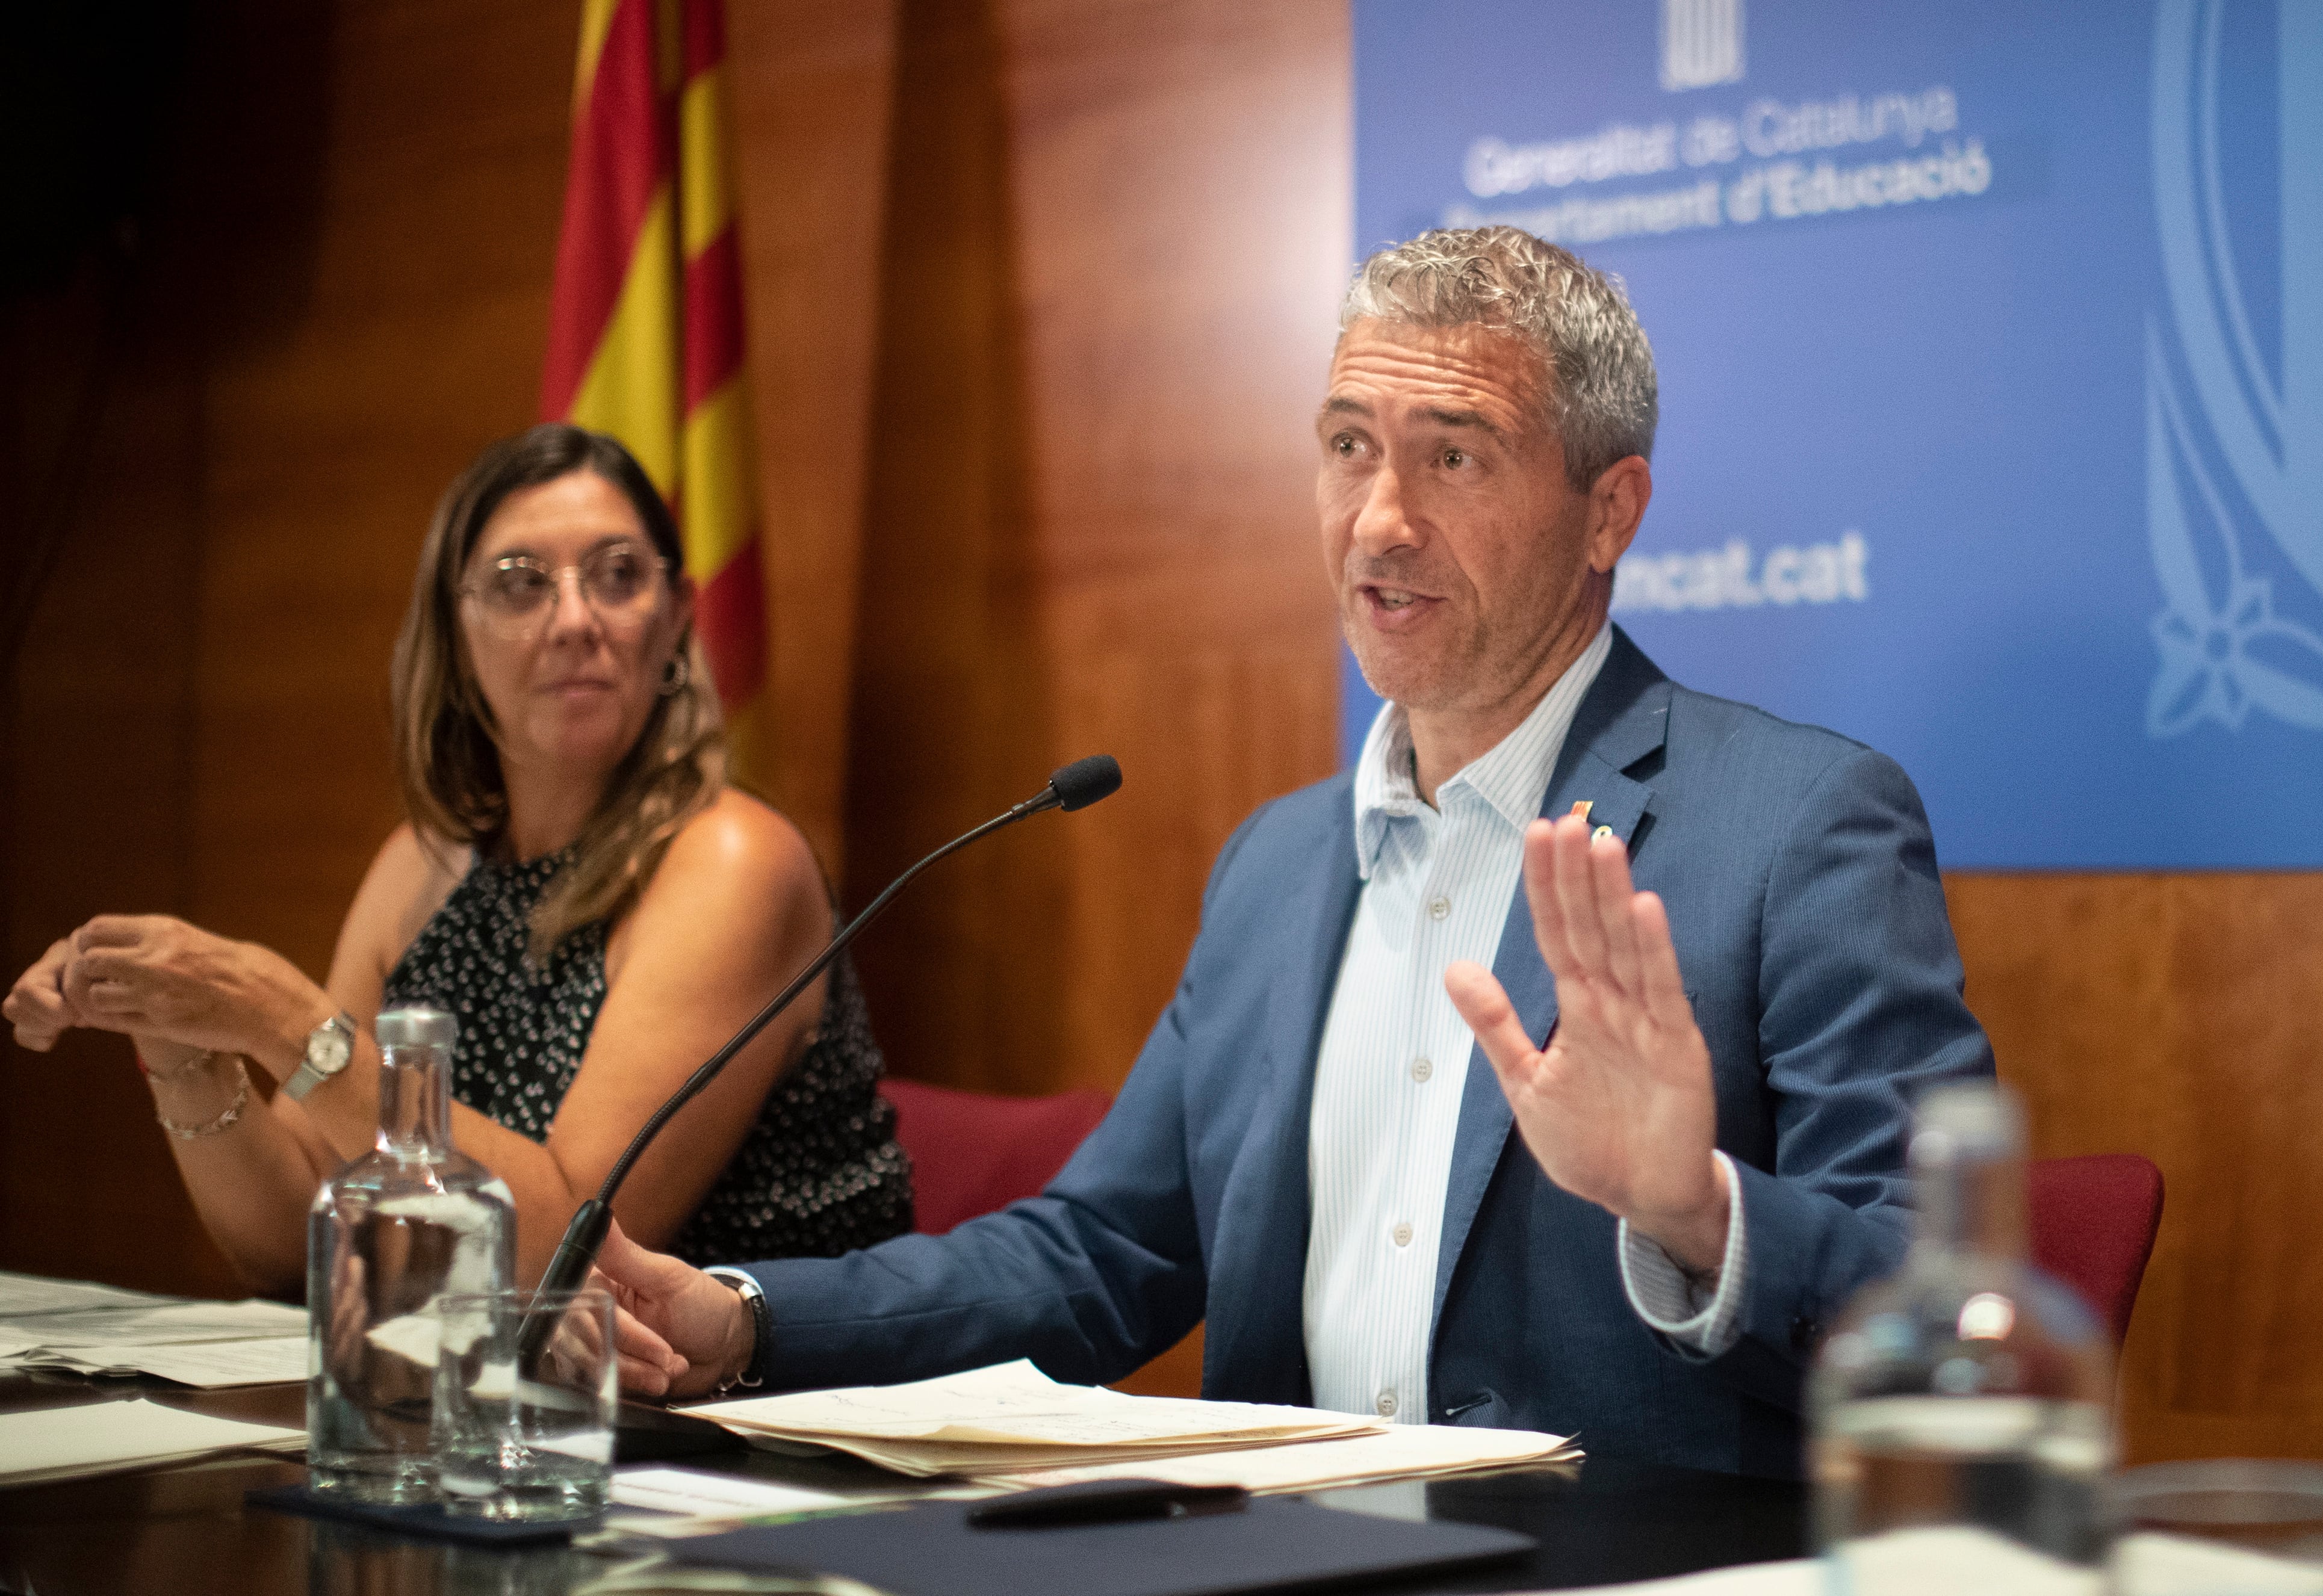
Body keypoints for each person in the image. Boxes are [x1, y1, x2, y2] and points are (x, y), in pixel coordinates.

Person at [589, 227, 1993, 1474]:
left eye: (1455, 454)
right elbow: (1108, 1252)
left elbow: (1948, 1325)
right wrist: (746, 1320)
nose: (1380, 520)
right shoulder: (1277, 862)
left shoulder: (1800, 826)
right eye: (1347, 447)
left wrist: (1694, 1209)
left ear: (1609, 512)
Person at [3, 423, 911, 1291]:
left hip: (761, 1420)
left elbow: (576, 1256)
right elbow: (284, 1244)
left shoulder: (732, 861)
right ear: (455, 629)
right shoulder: (424, 866)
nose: (573, 618)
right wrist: (180, 1033)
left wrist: (281, 1021)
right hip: (516, 1410)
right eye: (521, 582)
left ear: (675, 620)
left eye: (619, 576)